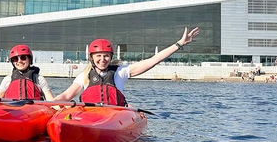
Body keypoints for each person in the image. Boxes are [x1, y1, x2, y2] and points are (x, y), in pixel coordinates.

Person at [54, 27, 199, 106]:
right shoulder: (84, 76)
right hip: (89, 116)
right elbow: (66, 96)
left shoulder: (120, 72)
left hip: (113, 116)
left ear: (111, 57)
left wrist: (179, 44)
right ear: (92, 58)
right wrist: (48, 105)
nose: (102, 59)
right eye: (98, 56)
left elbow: (153, 60)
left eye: (106, 56)